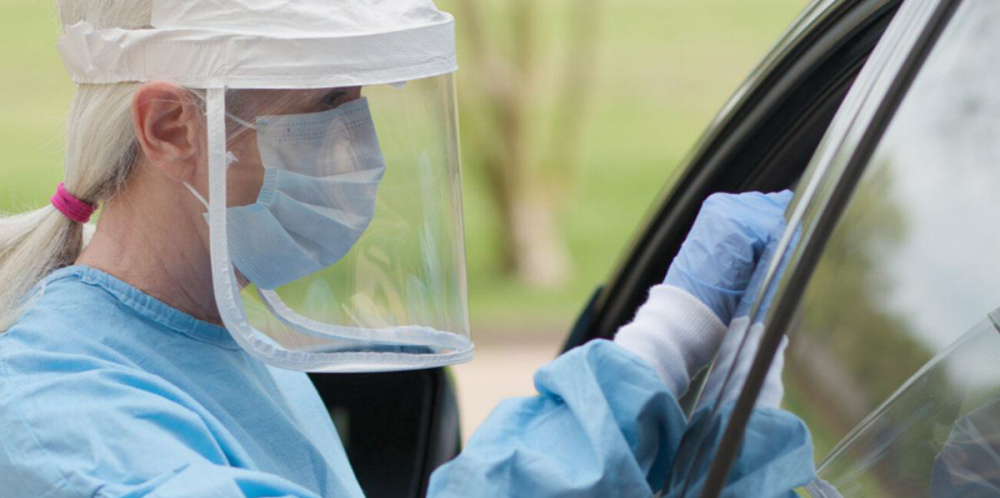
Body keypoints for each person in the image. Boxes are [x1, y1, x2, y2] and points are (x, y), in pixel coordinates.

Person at [0, 0, 813, 496]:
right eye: (328, 102)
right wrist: (660, 347)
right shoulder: (57, 425)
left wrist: (742, 401)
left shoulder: (222, 341)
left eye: (364, 100)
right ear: (172, 127)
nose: (364, 149)